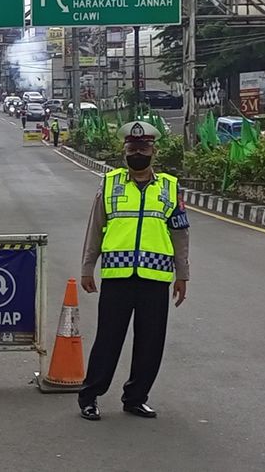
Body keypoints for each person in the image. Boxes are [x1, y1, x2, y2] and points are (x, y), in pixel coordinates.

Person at [78, 121, 190, 421]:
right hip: (117, 278)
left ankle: (136, 397)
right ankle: (90, 396)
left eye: (143, 148)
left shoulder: (170, 187)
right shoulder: (110, 184)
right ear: (123, 151)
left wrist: (183, 275)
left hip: (155, 279)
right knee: (108, 340)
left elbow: (180, 234)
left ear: (154, 151)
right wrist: (88, 267)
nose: (137, 153)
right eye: (132, 148)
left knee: (150, 343)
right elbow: (95, 229)